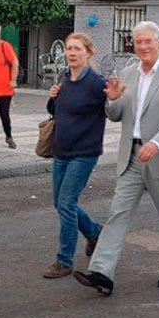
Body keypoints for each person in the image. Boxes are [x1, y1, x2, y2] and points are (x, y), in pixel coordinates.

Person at [73, 21, 159, 297]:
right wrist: (112, 100)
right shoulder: (127, 73)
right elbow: (115, 114)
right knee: (118, 213)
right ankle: (102, 272)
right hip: (131, 156)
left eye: (148, 41)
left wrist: (157, 142)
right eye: (138, 42)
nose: (143, 47)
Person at [42, 33, 106, 279]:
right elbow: (55, 111)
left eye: (77, 49)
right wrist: (53, 97)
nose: (71, 53)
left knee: (66, 203)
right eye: (69, 48)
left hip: (84, 152)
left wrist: (114, 98)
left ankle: (64, 260)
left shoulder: (96, 83)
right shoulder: (65, 77)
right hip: (61, 150)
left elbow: (111, 110)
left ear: (88, 53)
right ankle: (94, 232)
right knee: (60, 203)